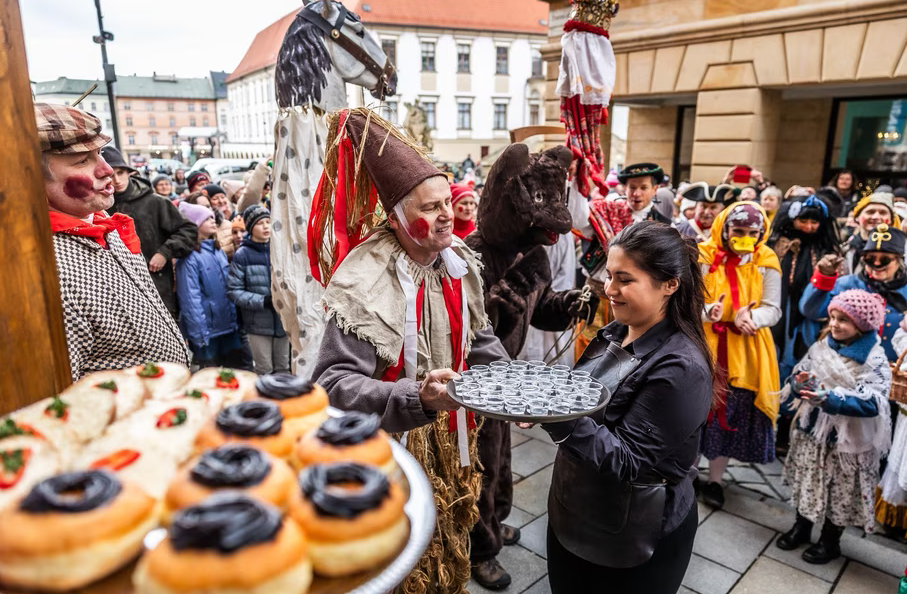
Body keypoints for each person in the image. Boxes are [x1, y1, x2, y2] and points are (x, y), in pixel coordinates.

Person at [310, 108, 509, 594]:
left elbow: (478, 336)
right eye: (430, 207)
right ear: (397, 218)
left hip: (456, 439)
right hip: (393, 451)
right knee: (404, 562)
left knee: (451, 542)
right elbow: (331, 386)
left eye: (448, 202)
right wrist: (416, 397)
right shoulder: (366, 280)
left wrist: (511, 385)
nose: (447, 215)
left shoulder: (457, 261)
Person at [539, 221, 716, 594]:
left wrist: (553, 415)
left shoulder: (682, 367)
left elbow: (629, 459)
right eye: (609, 275)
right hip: (575, 507)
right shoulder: (616, 331)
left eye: (625, 280)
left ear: (669, 285)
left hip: (633, 533)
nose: (609, 289)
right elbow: (583, 399)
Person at [35, 103, 189, 380]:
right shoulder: (46, 270)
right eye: (82, 161)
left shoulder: (100, 220)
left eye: (99, 154)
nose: (107, 170)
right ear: (33, 177)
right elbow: (62, 390)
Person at [779, 289, 891, 564]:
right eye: (832, 317)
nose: (834, 324)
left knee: (838, 491)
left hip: (846, 443)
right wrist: (800, 383)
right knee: (810, 480)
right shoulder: (822, 347)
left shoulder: (874, 359)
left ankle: (830, 541)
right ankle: (801, 526)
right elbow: (800, 373)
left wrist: (831, 398)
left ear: (862, 325)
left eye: (843, 320)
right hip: (814, 433)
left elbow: (874, 402)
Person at [699, 202, 782, 509]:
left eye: (752, 232)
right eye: (738, 230)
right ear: (725, 228)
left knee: (728, 415)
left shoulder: (766, 260)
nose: (745, 237)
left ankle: (715, 480)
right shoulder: (703, 255)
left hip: (745, 351)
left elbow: (773, 308)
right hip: (704, 344)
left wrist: (753, 318)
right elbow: (686, 300)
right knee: (694, 412)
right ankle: (685, 474)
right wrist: (709, 311)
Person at [100, 146, 198, 321]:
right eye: (110, 175)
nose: (116, 180)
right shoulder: (99, 207)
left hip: (158, 285)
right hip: (119, 291)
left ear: (129, 172)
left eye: (120, 172)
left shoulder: (155, 202)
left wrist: (164, 252)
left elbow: (188, 230)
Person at [803, 224, 907, 362]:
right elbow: (811, 311)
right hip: (851, 366)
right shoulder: (847, 284)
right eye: (870, 259)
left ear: (899, 261)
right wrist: (824, 278)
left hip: (899, 368)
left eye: (885, 259)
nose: (876, 264)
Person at [767, 195, 843, 380]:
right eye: (803, 221)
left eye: (814, 222)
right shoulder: (776, 245)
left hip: (812, 314)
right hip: (780, 306)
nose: (808, 227)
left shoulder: (827, 248)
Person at [175, 202, 251, 369]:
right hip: (207, 333)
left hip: (228, 326)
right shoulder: (189, 258)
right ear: (195, 225)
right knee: (211, 375)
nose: (213, 220)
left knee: (239, 371)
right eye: (206, 218)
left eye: (212, 217)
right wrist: (199, 334)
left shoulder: (218, 251)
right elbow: (190, 300)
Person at [227, 206, 288, 375]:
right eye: (260, 223)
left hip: (283, 321)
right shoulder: (243, 254)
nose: (266, 226)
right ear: (250, 227)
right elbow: (234, 290)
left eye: (268, 221)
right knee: (264, 369)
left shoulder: (280, 249)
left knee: (284, 368)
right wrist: (263, 301)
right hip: (257, 324)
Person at [841, 192, 899, 274]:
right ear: (857, 217)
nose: (876, 217)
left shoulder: (900, 251)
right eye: (870, 212)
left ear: (891, 220)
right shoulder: (845, 249)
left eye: (883, 213)